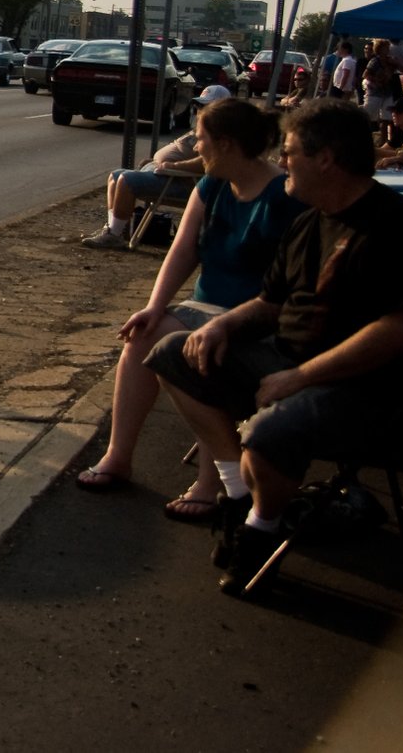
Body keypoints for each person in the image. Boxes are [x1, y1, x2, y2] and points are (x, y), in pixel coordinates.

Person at [145, 99, 403, 596]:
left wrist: (301, 378)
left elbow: (400, 331)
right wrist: (222, 327)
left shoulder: (398, 227)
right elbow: (270, 301)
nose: (282, 162)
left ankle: (260, 532)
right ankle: (239, 493)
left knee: (270, 432)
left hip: (369, 389)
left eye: (289, 152)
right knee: (173, 353)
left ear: (325, 158)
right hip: (289, 362)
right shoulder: (310, 221)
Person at [75, 98, 305, 519]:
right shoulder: (213, 184)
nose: (196, 149)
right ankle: (118, 455)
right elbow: (182, 250)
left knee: (189, 351)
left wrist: (217, 321)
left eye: (201, 140)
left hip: (254, 317)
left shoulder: (283, 198)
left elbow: (288, 289)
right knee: (144, 332)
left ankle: (212, 480)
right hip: (204, 305)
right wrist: (153, 306)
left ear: (227, 144)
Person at [82, 85, 232, 250]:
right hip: (165, 174)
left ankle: (114, 235)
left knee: (126, 180)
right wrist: (154, 161)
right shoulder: (204, 128)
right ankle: (114, 230)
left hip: (178, 181)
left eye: (205, 106)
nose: (199, 110)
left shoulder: (219, 136)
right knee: (116, 175)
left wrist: (173, 165)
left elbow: (206, 164)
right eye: (199, 106)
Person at [360, 39, 402, 121]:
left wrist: (397, 63)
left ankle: (384, 133)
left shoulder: (390, 60)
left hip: (387, 92)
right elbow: (365, 75)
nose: (388, 50)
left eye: (388, 48)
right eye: (385, 48)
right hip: (375, 92)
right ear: (379, 49)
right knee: (369, 115)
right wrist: (377, 81)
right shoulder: (375, 61)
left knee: (387, 118)